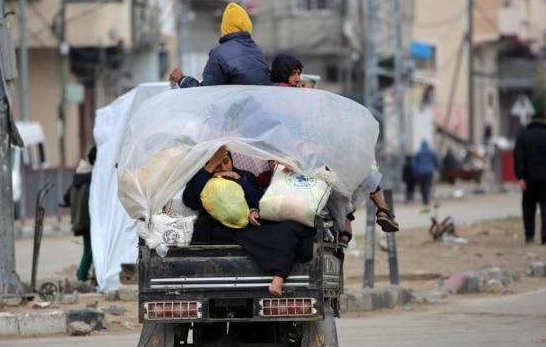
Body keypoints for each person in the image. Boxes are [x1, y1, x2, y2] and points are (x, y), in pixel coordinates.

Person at [270, 53, 399, 245]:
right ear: (282, 74)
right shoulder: (284, 96)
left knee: (348, 170)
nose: (298, 80)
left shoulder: (283, 96)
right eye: (294, 75)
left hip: (305, 161)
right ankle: (372, 212)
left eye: (299, 75)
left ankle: (349, 225)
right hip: (295, 165)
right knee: (351, 170)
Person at [169, 2, 271, 87]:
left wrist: (182, 79)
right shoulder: (257, 51)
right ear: (248, 25)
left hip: (234, 111)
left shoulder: (219, 55)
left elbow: (206, 93)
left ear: (224, 27)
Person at [182, 145, 262, 243]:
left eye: (226, 161)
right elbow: (190, 200)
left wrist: (237, 177)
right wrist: (210, 168)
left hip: (241, 223)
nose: (224, 168)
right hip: (211, 224)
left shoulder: (245, 176)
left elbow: (257, 201)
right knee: (211, 229)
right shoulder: (203, 176)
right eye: (217, 165)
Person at [513, 112, 546, 245]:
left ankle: (529, 236)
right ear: (545, 121)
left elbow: (518, 157)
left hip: (529, 180)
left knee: (528, 207)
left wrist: (520, 177)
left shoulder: (523, 137)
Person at [63, 145, 97, 283]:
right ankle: (80, 280)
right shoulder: (91, 177)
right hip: (88, 221)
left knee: (90, 251)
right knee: (89, 252)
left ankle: (86, 278)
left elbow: (67, 197)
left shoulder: (80, 174)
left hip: (81, 220)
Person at [413, 140, 439, 206]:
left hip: (421, 172)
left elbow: (415, 163)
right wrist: (435, 167)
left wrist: (415, 171)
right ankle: (427, 199)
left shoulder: (418, 153)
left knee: (422, 186)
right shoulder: (431, 152)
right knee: (428, 185)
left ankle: (424, 199)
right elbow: (436, 161)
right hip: (429, 171)